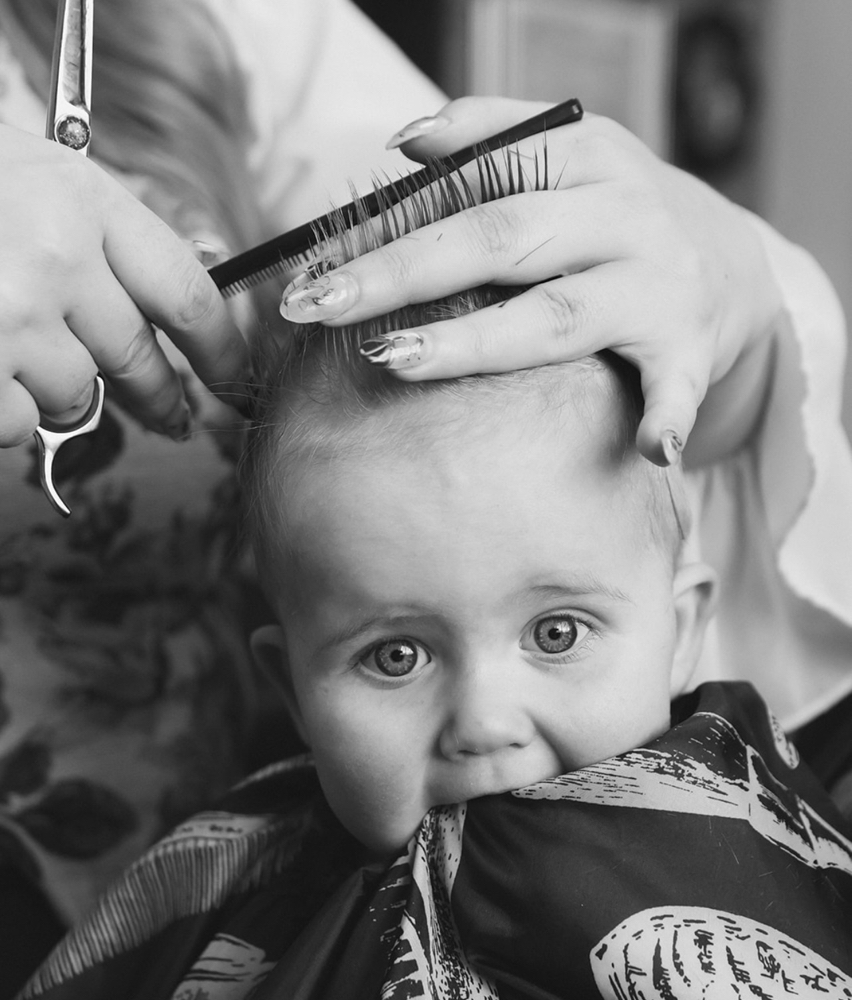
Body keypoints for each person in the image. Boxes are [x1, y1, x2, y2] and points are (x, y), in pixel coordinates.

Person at [2, 0, 852, 991]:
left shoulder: (184, 28)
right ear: (294, 687)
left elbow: (522, 287)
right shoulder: (208, 906)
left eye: (558, 631)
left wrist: (722, 287)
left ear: (684, 623)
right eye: (395, 654)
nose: (486, 721)